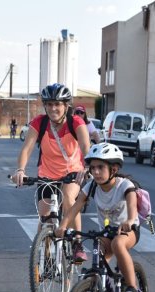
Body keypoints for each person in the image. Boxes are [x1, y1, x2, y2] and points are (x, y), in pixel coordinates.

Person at [55, 143, 140, 292]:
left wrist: (129, 220)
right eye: (92, 168)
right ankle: (102, 291)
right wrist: (63, 225)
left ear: (113, 169)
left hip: (128, 231)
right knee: (97, 256)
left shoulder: (124, 185)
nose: (95, 172)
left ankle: (132, 289)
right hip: (106, 233)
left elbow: (132, 205)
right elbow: (76, 206)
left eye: (100, 167)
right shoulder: (92, 186)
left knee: (118, 244)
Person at [14, 83, 91, 262]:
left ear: (66, 106)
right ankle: (45, 257)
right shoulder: (39, 123)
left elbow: (86, 147)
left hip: (72, 172)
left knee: (69, 198)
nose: (53, 108)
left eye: (57, 104)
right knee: (46, 219)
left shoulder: (75, 122)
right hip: (46, 174)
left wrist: (87, 167)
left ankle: (77, 243)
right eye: (49, 104)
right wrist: (20, 170)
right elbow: (27, 149)